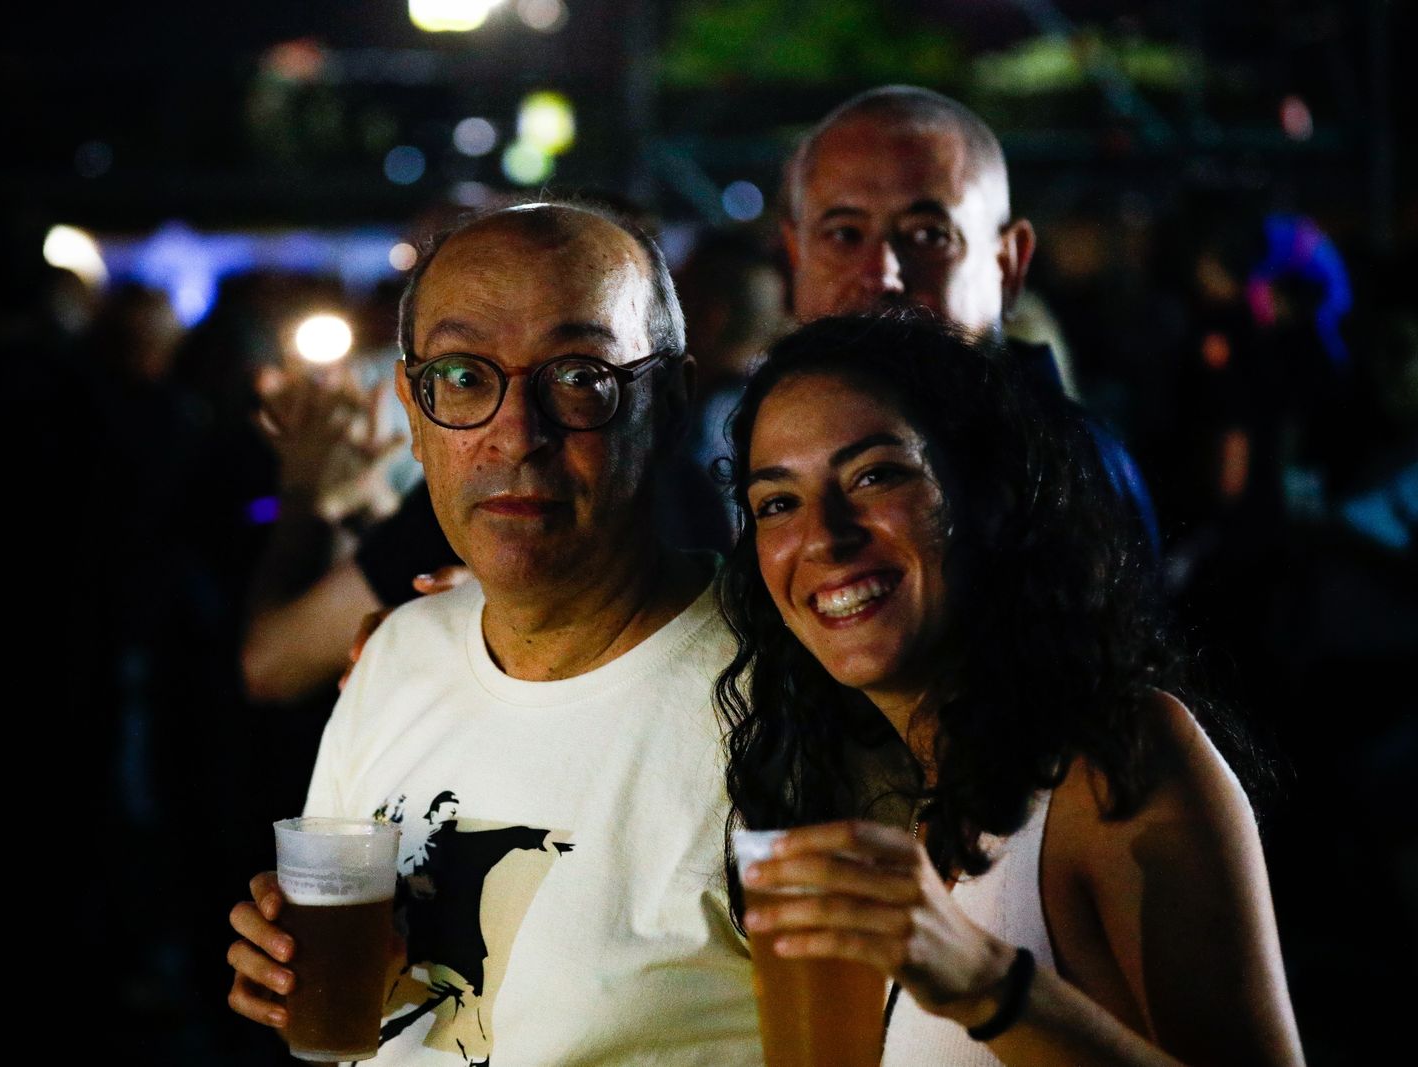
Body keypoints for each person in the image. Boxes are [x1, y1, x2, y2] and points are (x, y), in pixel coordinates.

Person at [226, 201, 761, 1065]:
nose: (517, 432)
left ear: (667, 401)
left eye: (581, 375)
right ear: (412, 405)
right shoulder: (396, 654)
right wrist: (291, 963)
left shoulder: (783, 698)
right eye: (466, 376)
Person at [716, 311, 1304, 1066]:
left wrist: (989, 985)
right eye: (778, 502)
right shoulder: (882, 795)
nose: (826, 535)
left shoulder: (1112, 762)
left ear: (978, 493)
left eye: (875, 474)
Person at [781, 85, 1160, 550]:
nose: (882, 274)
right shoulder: (765, 452)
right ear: (795, 254)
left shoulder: (1065, 481)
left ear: (1009, 264)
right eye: (843, 234)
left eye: (928, 236)